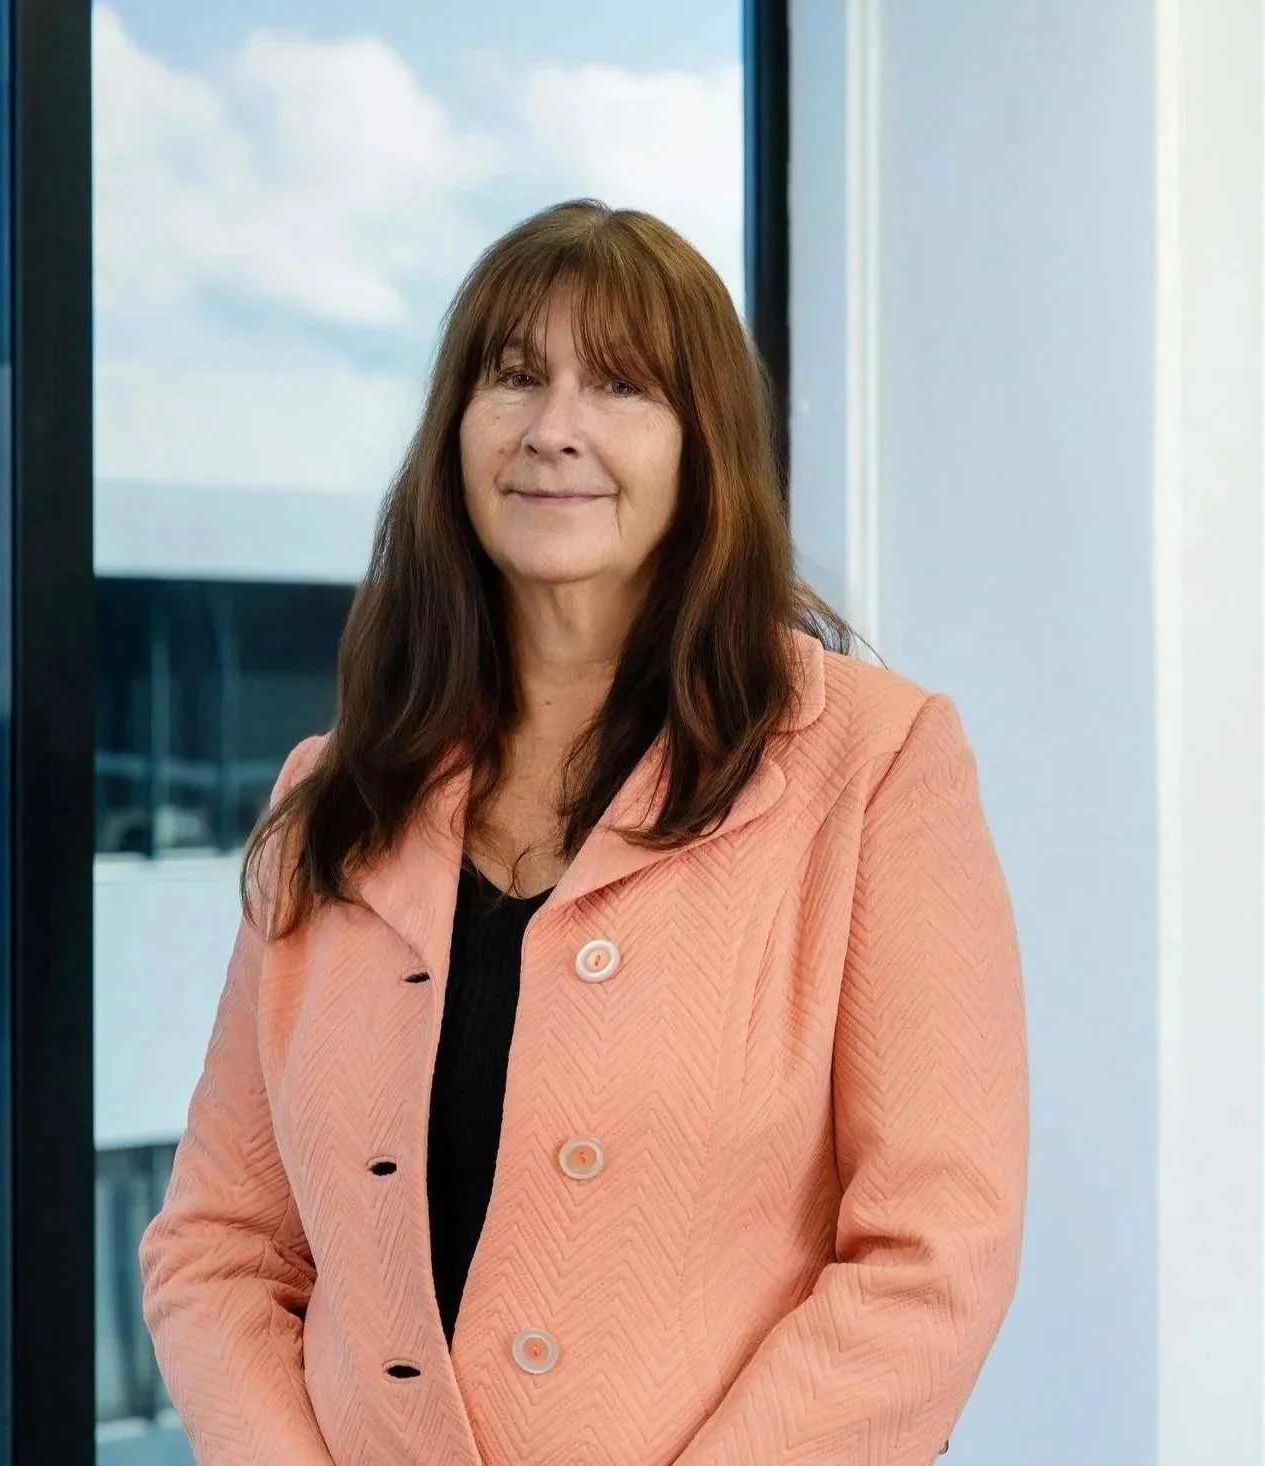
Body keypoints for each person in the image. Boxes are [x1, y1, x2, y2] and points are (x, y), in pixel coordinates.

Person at [139, 198, 1028, 1466]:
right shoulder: (330, 793)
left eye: (619, 384)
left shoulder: (876, 766)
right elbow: (219, 1245)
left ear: (703, 442)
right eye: (513, 378)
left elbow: (934, 1253)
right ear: (455, 430)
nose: (555, 428)